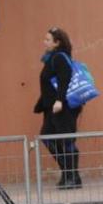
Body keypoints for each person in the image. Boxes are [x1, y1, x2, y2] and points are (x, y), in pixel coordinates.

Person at [34, 26, 83, 189]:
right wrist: (42, 104)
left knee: (66, 141)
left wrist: (60, 101)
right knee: (48, 138)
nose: (44, 42)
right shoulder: (51, 58)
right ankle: (69, 173)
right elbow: (48, 84)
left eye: (47, 40)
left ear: (57, 43)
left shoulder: (59, 58)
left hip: (63, 108)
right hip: (51, 108)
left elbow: (64, 79)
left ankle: (72, 177)